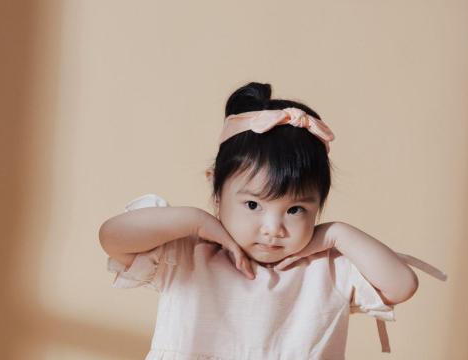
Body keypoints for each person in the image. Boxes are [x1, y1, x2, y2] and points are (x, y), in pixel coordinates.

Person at [99, 82, 447, 359]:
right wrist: (195, 220)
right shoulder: (190, 256)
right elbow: (112, 237)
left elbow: (402, 285)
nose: (273, 228)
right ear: (215, 188)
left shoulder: (324, 270)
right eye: (253, 205)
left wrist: (337, 235)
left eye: (296, 210)